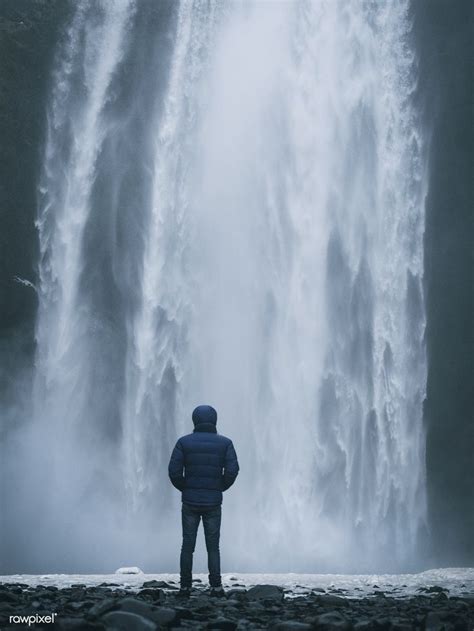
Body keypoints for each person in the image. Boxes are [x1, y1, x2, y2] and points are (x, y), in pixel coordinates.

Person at [168, 404, 239, 597]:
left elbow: (173, 471)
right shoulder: (225, 443)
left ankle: (185, 587)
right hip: (213, 502)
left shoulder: (184, 442)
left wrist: (185, 487)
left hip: (190, 502)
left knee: (187, 546)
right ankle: (216, 587)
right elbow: (233, 470)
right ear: (214, 420)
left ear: (195, 420)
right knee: (213, 547)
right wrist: (219, 487)